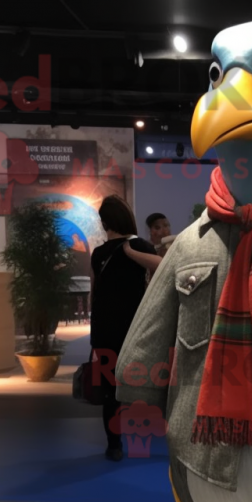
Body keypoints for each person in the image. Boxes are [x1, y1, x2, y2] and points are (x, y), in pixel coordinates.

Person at [90, 195, 162, 460]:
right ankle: (157, 437)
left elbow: (95, 293)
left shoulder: (99, 253)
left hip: (104, 330)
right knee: (152, 381)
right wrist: (131, 253)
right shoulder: (140, 245)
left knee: (111, 391)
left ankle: (114, 446)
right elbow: (163, 268)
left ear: (105, 222)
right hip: (136, 329)